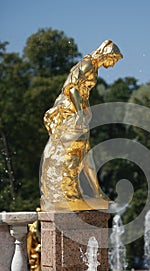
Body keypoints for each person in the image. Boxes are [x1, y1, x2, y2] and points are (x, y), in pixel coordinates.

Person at [41, 40, 123, 209]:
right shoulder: (87, 65)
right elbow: (72, 90)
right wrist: (79, 113)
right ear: (107, 55)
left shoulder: (92, 67)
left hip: (78, 111)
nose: (113, 64)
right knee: (79, 148)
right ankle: (70, 192)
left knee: (86, 152)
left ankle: (96, 192)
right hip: (70, 112)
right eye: (113, 59)